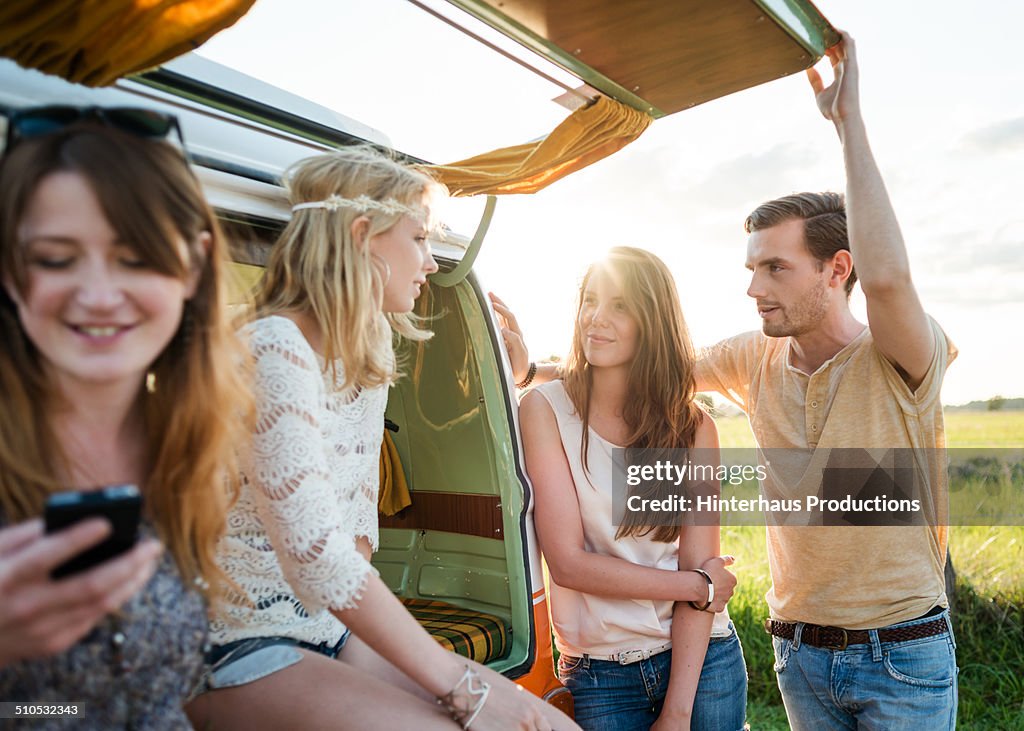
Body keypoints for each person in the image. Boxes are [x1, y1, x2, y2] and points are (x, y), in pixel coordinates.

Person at [500, 32, 959, 731]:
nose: (752, 286)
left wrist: (848, 124)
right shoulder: (755, 356)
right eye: (751, 266)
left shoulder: (901, 360)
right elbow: (644, 356)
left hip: (900, 656)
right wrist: (532, 367)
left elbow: (891, 278)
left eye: (774, 267)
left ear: (838, 269)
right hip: (799, 652)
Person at [187, 147, 579, 731]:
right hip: (237, 639)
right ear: (363, 234)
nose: (430, 262)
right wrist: (463, 688)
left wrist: (494, 697)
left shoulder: (363, 364)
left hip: (328, 631)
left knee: (542, 727)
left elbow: (358, 537)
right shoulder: (273, 347)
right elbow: (319, 559)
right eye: (420, 239)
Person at [0, 108, 252, 727]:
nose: (98, 295)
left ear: (193, 266)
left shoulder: (189, 445)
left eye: (136, 258)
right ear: (10, 271)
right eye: (56, 259)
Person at [519, 247, 747, 731]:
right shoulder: (544, 409)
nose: (597, 319)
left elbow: (699, 563)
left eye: (620, 305)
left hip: (703, 663)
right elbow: (568, 563)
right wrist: (695, 587)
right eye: (590, 300)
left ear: (652, 320)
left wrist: (677, 713)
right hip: (601, 673)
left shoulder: (691, 426)